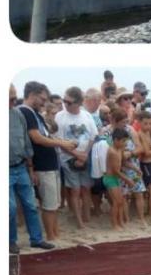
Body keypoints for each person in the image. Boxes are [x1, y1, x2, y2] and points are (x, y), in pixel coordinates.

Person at [18, 81, 78, 242]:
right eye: (42, 99)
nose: (45, 103)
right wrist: (63, 143)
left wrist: (65, 143)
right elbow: (37, 138)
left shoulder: (35, 113)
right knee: (49, 203)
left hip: (50, 163)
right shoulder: (26, 112)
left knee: (54, 203)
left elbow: (46, 135)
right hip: (42, 165)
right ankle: (51, 235)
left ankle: (55, 232)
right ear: (32, 95)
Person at [10, 83, 54, 252]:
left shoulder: (18, 114)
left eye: (14, 98)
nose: (13, 102)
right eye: (10, 98)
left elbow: (26, 143)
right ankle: (11, 240)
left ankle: (36, 239)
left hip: (21, 166)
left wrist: (30, 168)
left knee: (31, 204)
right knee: (10, 207)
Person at [54, 86, 96, 231]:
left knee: (86, 188)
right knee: (75, 190)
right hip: (67, 157)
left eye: (69, 102)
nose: (65, 104)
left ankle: (86, 217)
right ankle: (79, 222)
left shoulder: (86, 115)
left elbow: (92, 136)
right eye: (64, 100)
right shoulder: (60, 116)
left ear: (78, 103)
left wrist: (85, 154)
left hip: (84, 155)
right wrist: (77, 155)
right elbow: (58, 140)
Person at [104, 127, 130, 229]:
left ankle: (120, 222)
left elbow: (123, 162)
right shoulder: (112, 152)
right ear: (115, 140)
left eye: (125, 141)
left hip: (115, 178)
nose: (124, 143)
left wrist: (136, 169)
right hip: (110, 178)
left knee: (120, 202)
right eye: (123, 141)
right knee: (116, 202)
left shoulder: (119, 149)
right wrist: (127, 180)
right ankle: (114, 224)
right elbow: (116, 171)